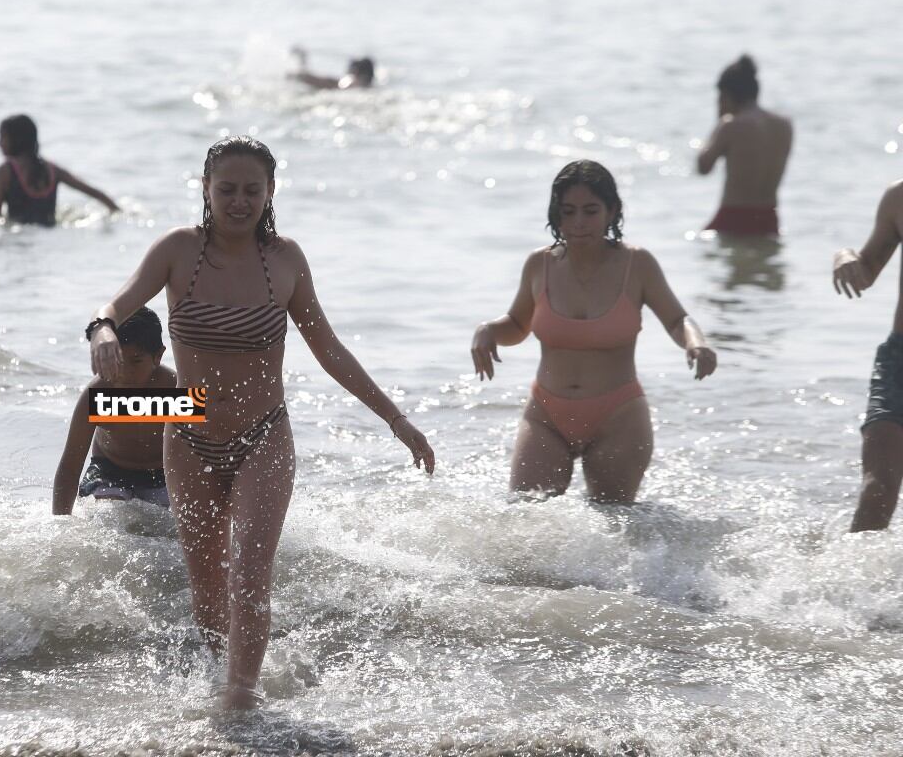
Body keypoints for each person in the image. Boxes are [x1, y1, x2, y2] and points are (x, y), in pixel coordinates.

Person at [86, 136, 434, 708]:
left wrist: (396, 420)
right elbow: (114, 305)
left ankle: (241, 696)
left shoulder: (285, 260)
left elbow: (330, 350)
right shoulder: (177, 250)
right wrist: (102, 329)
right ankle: (219, 682)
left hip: (264, 434)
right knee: (206, 584)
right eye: (227, 189)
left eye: (252, 189)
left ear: (271, 190)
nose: (239, 201)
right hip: (189, 432)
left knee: (249, 572)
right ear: (206, 189)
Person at [470, 160, 717, 502]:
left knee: (615, 524)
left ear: (611, 211)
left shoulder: (637, 264)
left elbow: (677, 320)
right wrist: (487, 331)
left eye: (590, 211)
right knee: (523, 514)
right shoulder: (539, 264)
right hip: (546, 415)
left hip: (618, 416)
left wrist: (696, 343)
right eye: (568, 212)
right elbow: (516, 325)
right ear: (556, 213)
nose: (578, 223)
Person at [53, 308, 176, 515]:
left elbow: (205, 450)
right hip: (110, 471)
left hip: (163, 473)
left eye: (136, 361)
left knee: (168, 522)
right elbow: (70, 466)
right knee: (109, 514)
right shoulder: (99, 395)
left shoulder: (173, 390)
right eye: (118, 361)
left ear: (158, 356)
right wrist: (60, 522)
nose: (125, 372)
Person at [833, 180, 903, 531]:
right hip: (898, 360)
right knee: (877, 490)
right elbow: (865, 271)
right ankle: (848, 568)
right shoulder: (898, 198)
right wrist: (845, 257)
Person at [696, 55, 793, 236]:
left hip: (733, 217)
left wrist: (718, 126)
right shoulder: (784, 125)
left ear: (726, 96)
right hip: (769, 219)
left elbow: (703, 167)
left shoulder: (730, 125)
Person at [0, 114, 121, 226]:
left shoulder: (5, 172)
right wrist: (116, 211)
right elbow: (94, 193)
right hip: (50, 233)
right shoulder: (52, 170)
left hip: (19, 235)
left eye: (2, 137)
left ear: (17, 140)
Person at [288, 47, 374, 90]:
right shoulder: (369, 87)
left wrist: (301, 76)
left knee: (302, 75)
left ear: (356, 70)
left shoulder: (351, 80)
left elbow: (339, 85)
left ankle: (302, 62)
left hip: (335, 91)